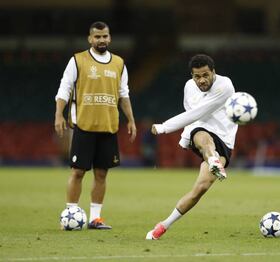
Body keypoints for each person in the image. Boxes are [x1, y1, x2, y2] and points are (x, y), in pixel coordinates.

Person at [54, 21, 137, 230]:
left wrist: (131, 119)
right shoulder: (77, 60)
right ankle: (71, 213)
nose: (102, 40)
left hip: (108, 127)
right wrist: (58, 114)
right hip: (84, 126)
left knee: (101, 174)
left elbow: (123, 94)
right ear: (90, 39)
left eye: (105, 36)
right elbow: (64, 89)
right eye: (97, 37)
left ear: (110, 38)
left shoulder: (119, 63)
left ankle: (96, 218)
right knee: (78, 172)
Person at [146, 54, 238, 240]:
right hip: (200, 131)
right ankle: (212, 158)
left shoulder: (225, 86)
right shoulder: (189, 87)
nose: (202, 80)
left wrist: (164, 127)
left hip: (224, 138)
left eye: (205, 75)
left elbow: (197, 112)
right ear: (192, 76)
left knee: (201, 188)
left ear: (213, 72)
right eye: (197, 76)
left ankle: (164, 225)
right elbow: (193, 117)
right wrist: (184, 135)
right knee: (204, 138)